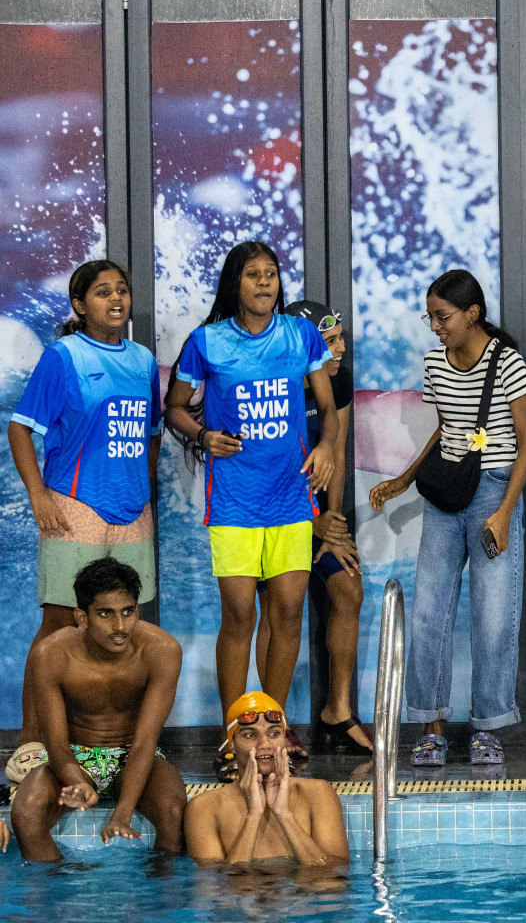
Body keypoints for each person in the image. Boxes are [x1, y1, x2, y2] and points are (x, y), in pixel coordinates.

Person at [163, 240, 339, 779]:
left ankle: (274, 733)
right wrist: (204, 433)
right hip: (235, 501)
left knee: (287, 613)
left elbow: (328, 408)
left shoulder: (300, 335)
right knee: (241, 616)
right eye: (253, 275)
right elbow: (174, 408)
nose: (265, 283)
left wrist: (327, 447)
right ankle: (232, 736)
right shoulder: (207, 342)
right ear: (234, 284)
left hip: (291, 496)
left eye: (272, 274)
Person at [369, 270, 526, 766]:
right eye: (431, 317)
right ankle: (430, 724)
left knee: (492, 616)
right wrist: (402, 480)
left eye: (442, 317)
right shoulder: (434, 363)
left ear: (473, 314)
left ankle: (488, 726)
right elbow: (447, 430)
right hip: (448, 496)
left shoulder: (508, 363)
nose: (435, 327)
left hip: (494, 492)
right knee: (429, 611)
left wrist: (506, 512)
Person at [6, 261, 161, 784]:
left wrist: (145, 489)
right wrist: (38, 495)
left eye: (122, 290)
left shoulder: (142, 361)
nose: (115, 299)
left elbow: (153, 432)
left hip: (131, 511)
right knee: (58, 626)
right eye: (101, 292)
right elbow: (22, 428)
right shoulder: (64, 356)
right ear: (79, 305)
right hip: (74, 504)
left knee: (130, 626)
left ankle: (125, 745)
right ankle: (32, 741)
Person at [254, 301, 372, 756]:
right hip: (271, 514)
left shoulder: (336, 379)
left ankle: (337, 710)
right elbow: (263, 466)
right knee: (275, 607)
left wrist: (333, 521)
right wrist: (311, 520)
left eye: (341, 338)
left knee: (349, 590)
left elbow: (335, 451)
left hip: (318, 515)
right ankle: (271, 722)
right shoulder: (269, 380)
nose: (340, 350)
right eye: (329, 342)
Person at [10, 558, 185, 862]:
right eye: (106, 614)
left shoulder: (162, 650)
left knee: (174, 812)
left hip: (135, 753)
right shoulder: (51, 654)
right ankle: (56, 891)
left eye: (127, 612)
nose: (120, 627)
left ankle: (160, 898)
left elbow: (145, 742)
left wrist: (123, 813)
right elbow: (56, 744)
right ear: (82, 617)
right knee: (26, 811)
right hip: (75, 756)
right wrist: (74, 780)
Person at [185, 691, 348, 866]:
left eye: (274, 734)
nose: (264, 745)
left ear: (285, 740)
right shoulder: (204, 808)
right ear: (231, 744)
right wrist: (253, 817)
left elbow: (334, 879)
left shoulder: (318, 793)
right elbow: (218, 890)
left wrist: (285, 815)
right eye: (249, 735)